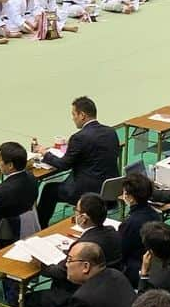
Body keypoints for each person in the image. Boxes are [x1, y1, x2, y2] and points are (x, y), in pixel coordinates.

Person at [35, 96, 121, 227]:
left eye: (74, 114)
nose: (73, 118)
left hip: (87, 191)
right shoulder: (111, 132)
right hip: (110, 188)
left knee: (49, 189)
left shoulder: (79, 138)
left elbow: (64, 165)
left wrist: (45, 153)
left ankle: (40, 227)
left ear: (82, 115)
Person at [0, 140, 37, 245]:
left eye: (0, 159)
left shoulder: (0, 192)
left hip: (9, 234)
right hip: (30, 224)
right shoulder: (32, 177)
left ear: (10, 165)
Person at [119, 171, 161, 287]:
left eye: (125, 193)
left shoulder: (130, 223)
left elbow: (121, 252)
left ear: (130, 197)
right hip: (154, 267)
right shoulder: (155, 214)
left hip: (135, 270)